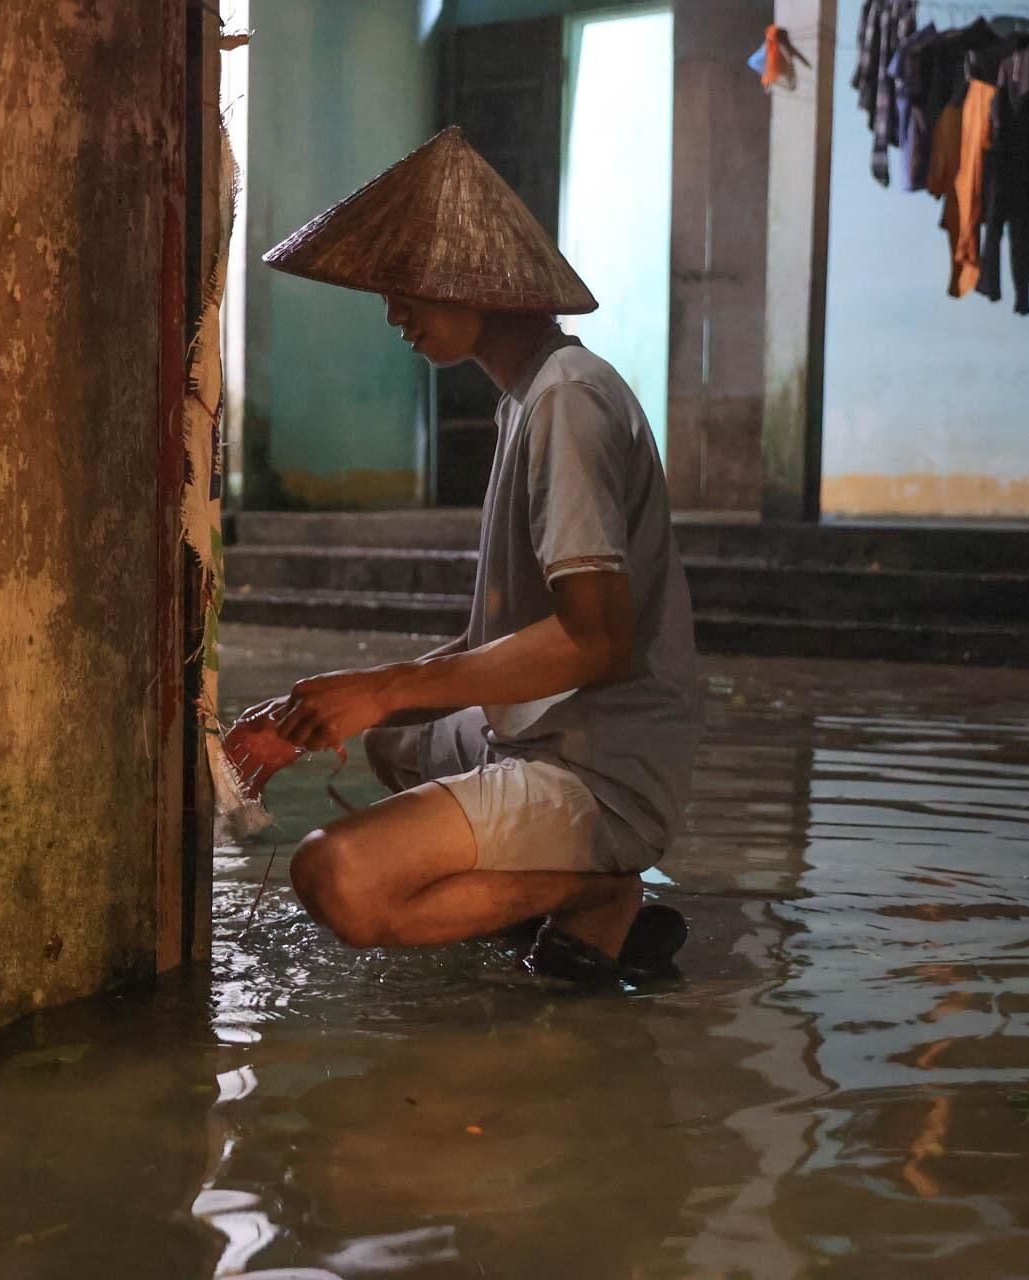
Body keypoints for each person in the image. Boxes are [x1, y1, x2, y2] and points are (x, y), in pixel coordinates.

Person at [232, 127, 701, 984]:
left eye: (406, 290)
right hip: (543, 733)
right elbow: (513, 643)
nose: (394, 314)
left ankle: (597, 891)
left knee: (336, 876)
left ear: (476, 282)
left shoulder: (568, 401)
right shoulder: (530, 397)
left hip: (599, 766)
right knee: (391, 745)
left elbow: (597, 643)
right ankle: (558, 909)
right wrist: (319, 713)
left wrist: (382, 689)